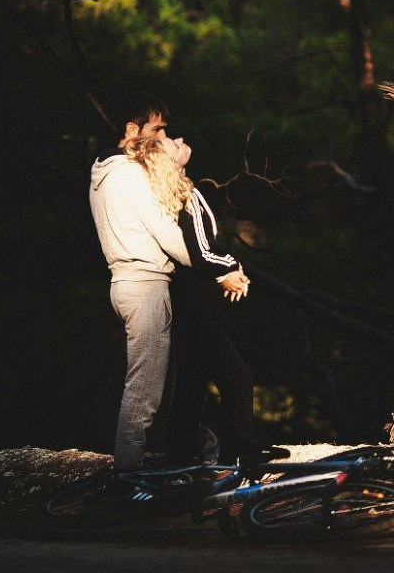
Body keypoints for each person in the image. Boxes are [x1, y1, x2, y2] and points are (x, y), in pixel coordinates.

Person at [123, 133, 263, 466]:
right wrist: (229, 267)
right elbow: (198, 252)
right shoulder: (182, 195)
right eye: (170, 139)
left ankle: (185, 461)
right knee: (230, 379)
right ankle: (229, 460)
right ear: (165, 159)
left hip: (194, 299)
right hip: (194, 301)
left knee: (196, 383)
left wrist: (225, 269)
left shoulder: (184, 191)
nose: (179, 138)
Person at [89, 92, 193, 470]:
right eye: (158, 129)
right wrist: (216, 265)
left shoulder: (104, 170)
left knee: (154, 385)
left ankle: (191, 454)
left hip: (125, 284)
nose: (165, 138)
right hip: (145, 287)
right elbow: (174, 241)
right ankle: (126, 478)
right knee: (143, 394)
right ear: (132, 130)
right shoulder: (130, 175)